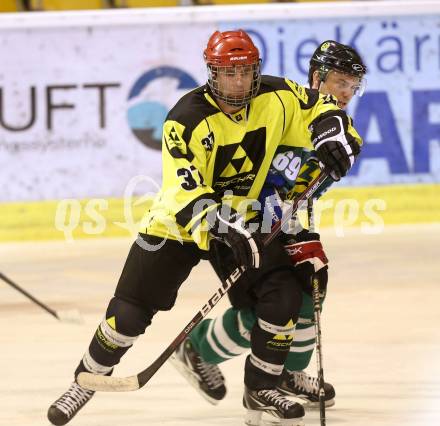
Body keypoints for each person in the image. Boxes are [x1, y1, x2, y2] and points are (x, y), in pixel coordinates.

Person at [47, 32, 362, 426]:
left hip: (248, 219)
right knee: (128, 315)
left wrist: (334, 133)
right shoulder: (185, 118)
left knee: (283, 296)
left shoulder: (277, 96)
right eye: (229, 73)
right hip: (182, 224)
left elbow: (320, 107)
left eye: (246, 72)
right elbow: (184, 189)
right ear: (212, 73)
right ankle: (86, 380)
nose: (239, 82)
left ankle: (261, 388)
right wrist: (224, 226)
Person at [170, 39, 367, 411]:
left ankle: (284, 373)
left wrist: (302, 233)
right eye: (339, 81)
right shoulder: (279, 109)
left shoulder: (345, 133)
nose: (346, 93)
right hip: (234, 225)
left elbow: (304, 195)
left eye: (352, 86)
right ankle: (197, 347)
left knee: (311, 289)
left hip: (279, 227)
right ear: (316, 76)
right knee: (268, 307)